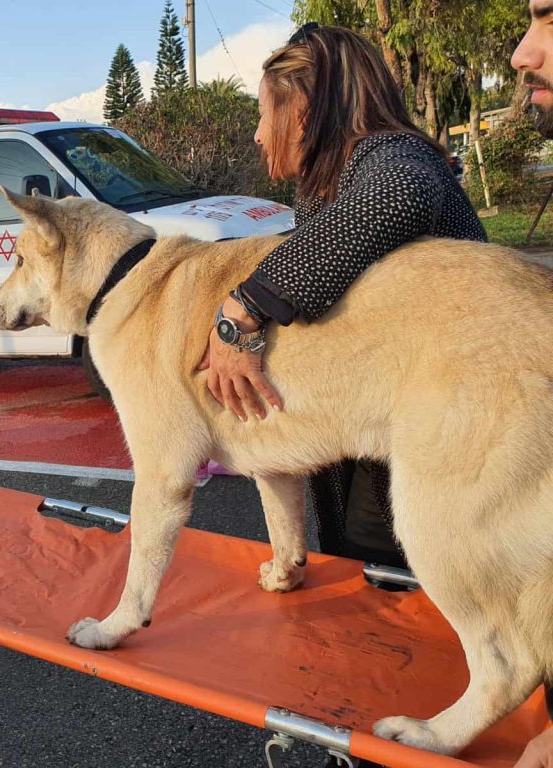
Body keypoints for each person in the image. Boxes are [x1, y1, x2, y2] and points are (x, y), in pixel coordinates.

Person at [201, 24, 487, 571]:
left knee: (398, 589)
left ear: (303, 108)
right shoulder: (329, 185)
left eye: (264, 114)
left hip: (444, 429)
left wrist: (244, 308)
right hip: (394, 426)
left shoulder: (391, 155)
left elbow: (398, 195)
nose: (260, 135)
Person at [510, 5, 553, 764]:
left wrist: (240, 308)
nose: (521, 53)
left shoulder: (387, 165)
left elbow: (368, 223)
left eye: (550, 16)